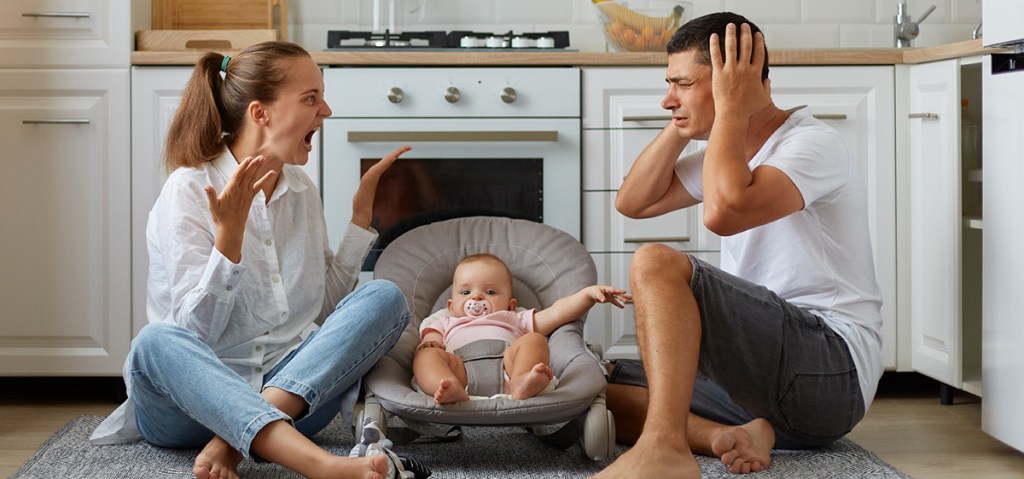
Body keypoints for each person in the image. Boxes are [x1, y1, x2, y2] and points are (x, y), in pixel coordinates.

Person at [89, 41, 416, 479]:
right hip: (188, 406)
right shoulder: (189, 190)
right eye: (311, 98)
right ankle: (319, 465)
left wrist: (360, 222)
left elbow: (319, 311)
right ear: (260, 113)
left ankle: (231, 441)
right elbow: (193, 335)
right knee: (153, 343)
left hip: (293, 395)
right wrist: (228, 242)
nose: (327, 111)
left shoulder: (301, 189)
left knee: (385, 297)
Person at [594, 12, 884, 479]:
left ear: (739, 79)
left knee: (654, 261)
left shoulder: (812, 143)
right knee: (592, 389)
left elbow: (723, 214)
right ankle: (736, 434)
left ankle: (665, 448)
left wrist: (729, 106)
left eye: (682, 84)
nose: (667, 99)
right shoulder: (726, 156)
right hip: (760, 382)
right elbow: (633, 202)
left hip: (830, 374)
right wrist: (684, 116)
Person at [413, 253, 631, 404]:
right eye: (465, 292)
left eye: (490, 292)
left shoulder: (514, 318)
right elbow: (431, 339)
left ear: (511, 304)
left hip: (508, 365)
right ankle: (447, 387)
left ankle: (522, 381)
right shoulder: (445, 321)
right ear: (451, 306)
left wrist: (587, 295)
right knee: (426, 355)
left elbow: (556, 312)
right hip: (461, 370)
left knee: (535, 340)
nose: (476, 297)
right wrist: (429, 343)